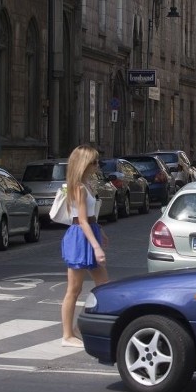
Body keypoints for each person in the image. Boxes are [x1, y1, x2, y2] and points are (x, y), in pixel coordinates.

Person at [60, 145, 109, 348]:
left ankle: (81, 325)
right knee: (74, 289)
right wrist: (96, 246)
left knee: (104, 286)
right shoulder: (79, 187)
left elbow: (90, 216)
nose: (97, 165)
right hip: (80, 236)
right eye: (94, 162)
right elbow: (81, 220)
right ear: (84, 164)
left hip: (89, 231)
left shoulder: (87, 184)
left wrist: (101, 232)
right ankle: (67, 334)